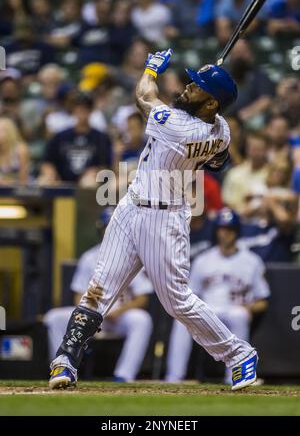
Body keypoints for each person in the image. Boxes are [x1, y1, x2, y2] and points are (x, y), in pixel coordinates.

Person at [49, 48, 258, 392]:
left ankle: (239, 354)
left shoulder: (178, 125)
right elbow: (221, 159)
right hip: (131, 207)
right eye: (192, 81)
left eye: (197, 87)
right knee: (98, 289)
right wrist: (208, 83)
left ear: (211, 104)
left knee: (176, 300)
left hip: (165, 219)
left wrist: (150, 69)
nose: (188, 87)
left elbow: (143, 96)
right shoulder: (221, 128)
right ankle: (65, 360)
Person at [44, 208, 153, 382]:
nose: (109, 231)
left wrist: (118, 311)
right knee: (54, 317)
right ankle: (61, 366)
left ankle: (124, 375)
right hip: (92, 312)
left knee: (141, 320)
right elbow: (78, 296)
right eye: (106, 227)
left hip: (120, 315)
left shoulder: (134, 255)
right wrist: (93, 315)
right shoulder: (89, 257)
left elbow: (143, 297)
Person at [165, 208, 270, 384]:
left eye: (229, 229)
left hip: (234, 309)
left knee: (239, 315)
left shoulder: (252, 261)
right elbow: (189, 294)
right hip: (208, 309)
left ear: (236, 232)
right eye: (221, 229)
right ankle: (174, 377)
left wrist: (250, 308)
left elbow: (263, 300)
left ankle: (235, 376)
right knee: (181, 320)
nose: (225, 234)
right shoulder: (203, 260)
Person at [39, 94, 111, 186]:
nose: (81, 112)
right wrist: (50, 173)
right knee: (43, 181)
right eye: (78, 108)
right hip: (61, 180)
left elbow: (105, 166)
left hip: (89, 181)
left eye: (85, 109)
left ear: (91, 111)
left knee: (88, 182)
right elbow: (47, 162)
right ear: (73, 110)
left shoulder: (101, 138)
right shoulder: (60, 137)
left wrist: (96, 171)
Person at [222, 132, 270, 213]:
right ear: (247, 149)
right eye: (253, 149)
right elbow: (227, 202)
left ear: (266, 151)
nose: (256, 153)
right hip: (237, 218)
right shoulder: (234, 173)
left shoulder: (271, 174)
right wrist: (243, 211)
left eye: (260, 150)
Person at [0, 116, 30, 185]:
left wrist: (8, 182)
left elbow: (24, 180)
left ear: (9, 132)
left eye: (1, 131)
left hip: (17, 190)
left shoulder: (20, 149)